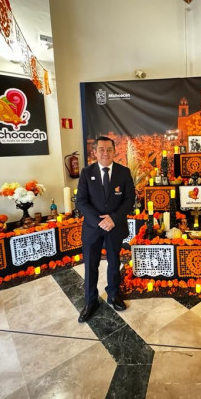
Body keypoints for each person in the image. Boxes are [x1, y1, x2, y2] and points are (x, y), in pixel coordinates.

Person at [75, 136, 135, 322]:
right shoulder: (87, 172)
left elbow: (129, 199)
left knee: (114, 262)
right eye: (101, 149)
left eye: (109, 149)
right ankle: (90, 301)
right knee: (90, 265)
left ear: (115, 151)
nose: (105, 153)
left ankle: (113, 295)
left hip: (114, 226)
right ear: (94, 152)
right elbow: (81, 201)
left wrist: (113, 218)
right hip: (93, 228)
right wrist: (99, 221)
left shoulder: (124, 172)